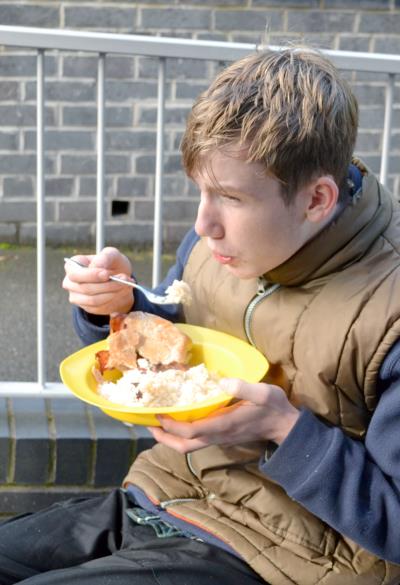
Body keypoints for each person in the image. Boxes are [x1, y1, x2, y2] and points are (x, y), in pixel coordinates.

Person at [1, 46, 400, 585]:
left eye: (230, 197)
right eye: (201, 191)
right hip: (164, 495)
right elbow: (173, 336)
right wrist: (122, 310)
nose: (203, 224)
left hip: (287, 559)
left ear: (316, 200)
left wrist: (285, 429)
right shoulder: (215, 245)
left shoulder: (390, 314)